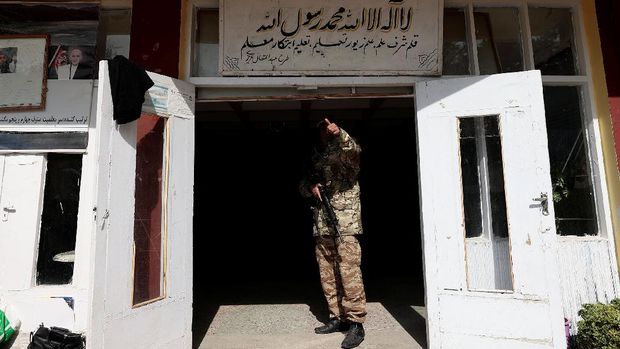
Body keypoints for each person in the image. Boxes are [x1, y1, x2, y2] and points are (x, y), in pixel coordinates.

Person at [300, 118, 366, 349]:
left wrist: (340, 133)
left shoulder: (347, 155)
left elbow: (352, 149)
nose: (325, 134)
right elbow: (303, 184)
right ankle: (337, 317)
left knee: (349, 272)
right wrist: (311, 187)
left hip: (344, 223)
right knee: (327, 273)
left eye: (327, 130)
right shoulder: (317, 158)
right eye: (322, 131)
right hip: (322, 224)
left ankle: (356, 323)